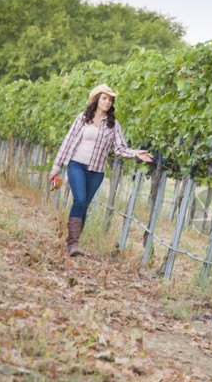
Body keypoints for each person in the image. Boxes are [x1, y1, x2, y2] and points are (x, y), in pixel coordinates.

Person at [48, 84, 152, 256]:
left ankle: (74, 243)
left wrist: (136, 153)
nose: (107, 102)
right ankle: (73, 243)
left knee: (85, 205)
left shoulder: (113, 125)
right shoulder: (82, 118)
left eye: (110, 100)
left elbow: (120, 148)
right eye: (104, 98)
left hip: (97, 171)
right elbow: (68, 141)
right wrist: (56, 167)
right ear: (96, 99)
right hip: (77, 165)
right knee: (79, 200)